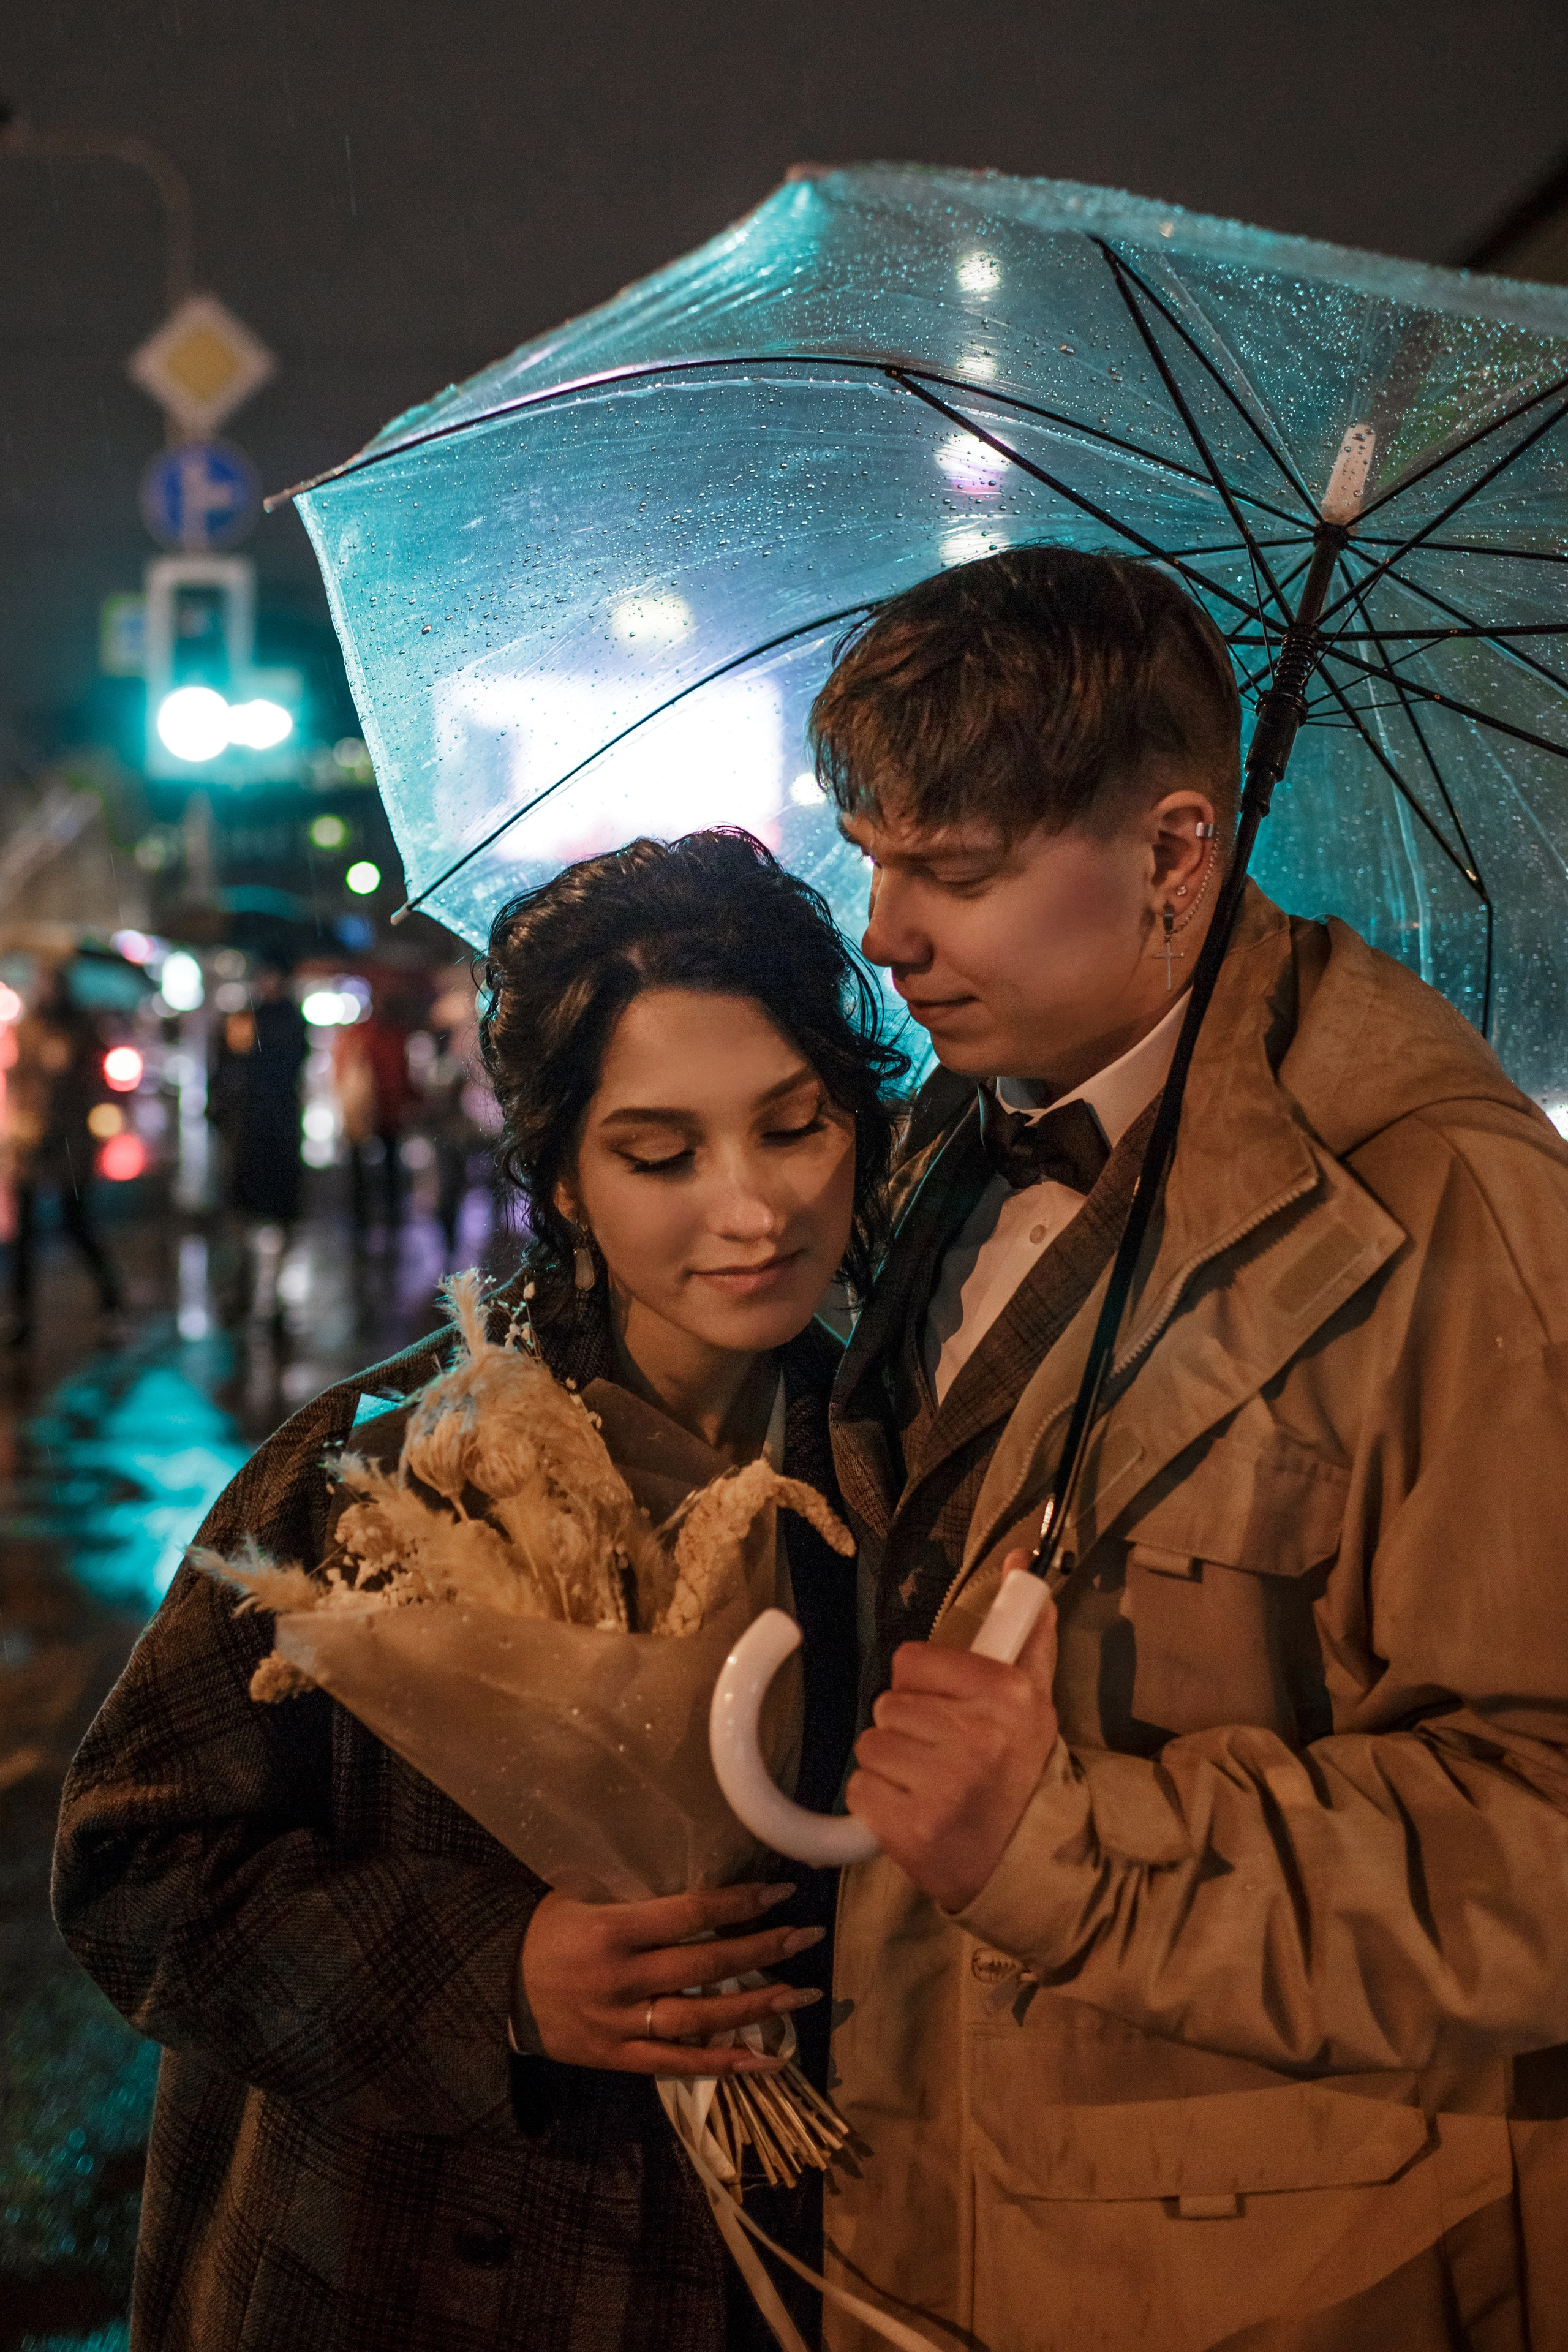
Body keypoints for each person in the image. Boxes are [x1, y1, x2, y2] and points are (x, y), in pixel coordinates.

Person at [809, 546, 1568, 2352]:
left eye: (956, 868)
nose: (883, 927)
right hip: (922, 2219)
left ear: (1170, 852)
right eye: (868, 847)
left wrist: (1058, 1838)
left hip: (1278, 2280)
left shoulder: (1447, 1226)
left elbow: (1537, 1843)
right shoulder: (938, 1142)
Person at [53, 831, 905, 2352]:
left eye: (794, 1125)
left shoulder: (897, 1474)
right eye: (658, 1152)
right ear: (564, 1182)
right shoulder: (385, 1471)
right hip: (382, 2273)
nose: (754, 1207)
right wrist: (496, 1973)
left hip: (745, 2280)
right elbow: (134, 1867)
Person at [4, 961, 121, 1344]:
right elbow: (20, 1079)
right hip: (33, 1143)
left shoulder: (81, 1029)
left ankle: (111, 1299)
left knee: (77, 1225)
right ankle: (23, 1319)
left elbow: (99, 1074)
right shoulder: (28, 1028)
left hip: (69, 1144)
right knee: (24, 1237)